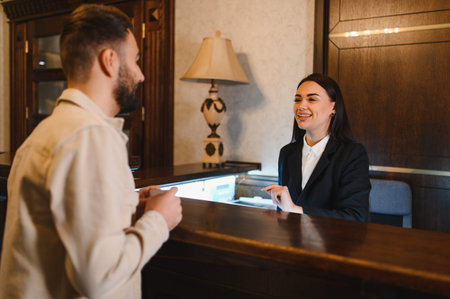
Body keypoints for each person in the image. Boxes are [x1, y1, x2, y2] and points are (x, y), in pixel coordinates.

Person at [0, 4, 182, 299]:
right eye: (135, 60)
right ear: (110, 61)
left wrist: (127, 204)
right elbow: (97, 277)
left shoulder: (48, 132)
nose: (141, 75)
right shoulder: (91, 136)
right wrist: (159, 220)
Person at [262, 73, 370, 221]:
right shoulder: (287, 153)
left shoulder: (352, 154)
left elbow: (356, 217)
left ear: (334, 108)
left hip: (334, 242)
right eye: (297, 99)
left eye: (312, 99)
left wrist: (295, 210)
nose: (301, 106)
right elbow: (285, 211)